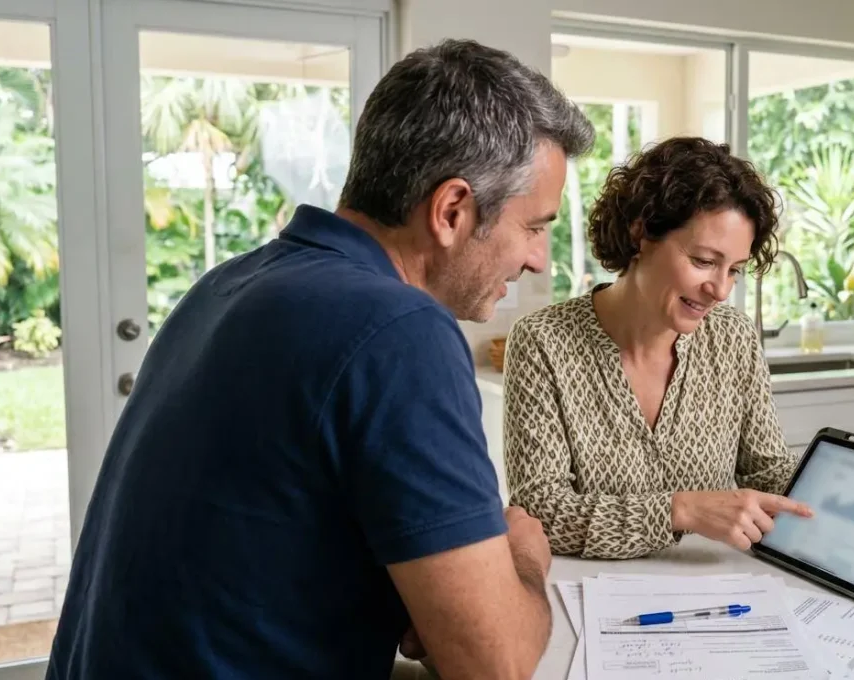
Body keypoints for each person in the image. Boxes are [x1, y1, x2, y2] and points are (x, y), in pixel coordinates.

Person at [46, 39, 593, 680]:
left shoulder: (229, 284)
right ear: (451, 210)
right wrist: (522, 558)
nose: (536, 260)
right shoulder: (401, 332)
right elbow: (491, 662)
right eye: (534, 227)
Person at [503, 136, 814, 561]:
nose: (720, 289)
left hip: (720, 591)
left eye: (735, 270)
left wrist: (836, 493)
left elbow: (766, 470)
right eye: (704, 261)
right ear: (642, 233)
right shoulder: (543, 342)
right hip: (591, 598)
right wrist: (680, 510)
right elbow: (540, 512)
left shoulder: (733, 337)